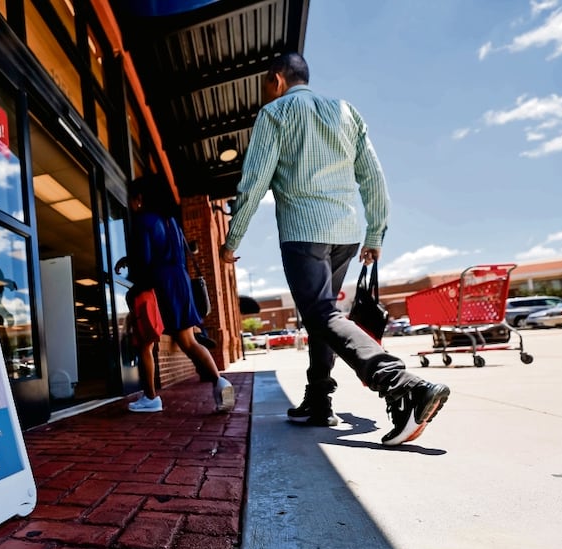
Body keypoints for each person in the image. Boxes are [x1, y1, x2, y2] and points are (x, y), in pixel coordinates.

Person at [219, 53, 449, 446]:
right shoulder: (346, 112)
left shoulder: (275, 113)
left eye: (264, 85)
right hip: (345, 232)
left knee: (322, 314)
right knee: (321, 317)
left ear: (276, 79)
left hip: (303, 232)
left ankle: (402, 383)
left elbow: (254, 180)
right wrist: (375, 233)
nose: (263, 94)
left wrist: (231, 241)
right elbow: (373, 177)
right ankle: (319, 402)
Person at [121, 174, 234, 413]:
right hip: (180, 281)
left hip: (159, 283)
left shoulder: (144, 220)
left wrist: (136, 293)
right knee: (189, 342)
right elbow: (168, 253)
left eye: (131, 198)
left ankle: (151, 398)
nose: (130, 202)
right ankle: (220, 382)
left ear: (139, 199)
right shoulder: (171, 221)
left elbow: (146, 260)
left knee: (145, 343)